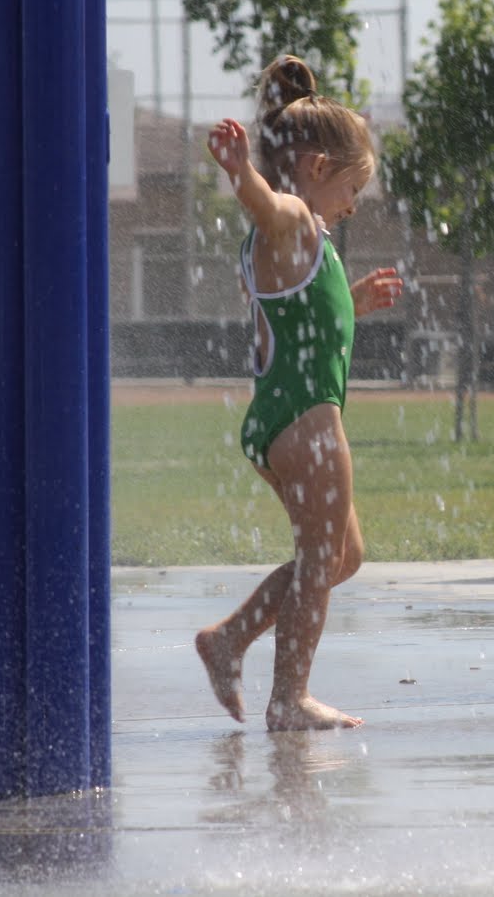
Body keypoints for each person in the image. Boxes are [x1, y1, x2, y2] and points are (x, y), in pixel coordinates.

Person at [194, 54, 403, 730]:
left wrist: (354, 303)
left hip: (276, 420)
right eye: (352, 188)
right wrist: (241, 173)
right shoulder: (292, 220)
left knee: (342, 557)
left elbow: (299, 320)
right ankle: (290, 697)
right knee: (319, 560)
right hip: (308, 424)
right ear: (316, 168)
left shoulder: (298, 246)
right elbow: (272, 202)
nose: (353, 205)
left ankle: (230, 637)